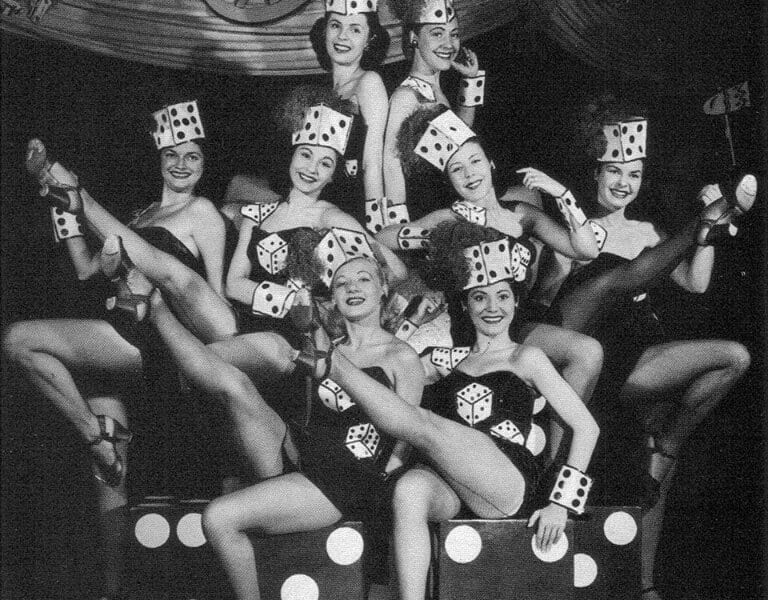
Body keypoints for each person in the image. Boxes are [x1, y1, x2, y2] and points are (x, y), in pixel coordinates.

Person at [3, 98, 229, 600]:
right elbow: (89, 271)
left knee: (18, 339)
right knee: (110, 483)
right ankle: (113, 591)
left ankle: (92, 433)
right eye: (172, 155)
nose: (181, 164)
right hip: (116, 330)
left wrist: (209, 356)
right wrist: (71, 225)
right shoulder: (140, 214)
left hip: (151, 339)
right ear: (159, 158)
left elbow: (212, 295)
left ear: (204, 163)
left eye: (192, 156)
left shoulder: (202, 212)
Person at [312, 221, 600, 600]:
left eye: (502, 297)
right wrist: (410, 324)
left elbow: (587, 428)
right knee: (410, 489)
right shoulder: (448, 360)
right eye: (480, 298)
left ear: (516, 302)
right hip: (455, 484)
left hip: (507, 478)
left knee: (424, 426)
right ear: (465, 305)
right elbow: (388, 367)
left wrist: (561, 504)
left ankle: (330, 363)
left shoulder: (526, 357)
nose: (492, 308)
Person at [538, 100, 754, 600]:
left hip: (636, 356)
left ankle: (667, 449)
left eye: (633, 174)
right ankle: (707, 219)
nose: (623, 182)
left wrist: (706, 241)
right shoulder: (569, 232)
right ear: (594, 172)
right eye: (614, 171)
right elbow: (551, 302)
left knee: (735, 357)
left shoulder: (649, 233)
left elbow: (696, 284)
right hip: (582, 355)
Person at [146, 241, 422, 600]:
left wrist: (381, 497)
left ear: (383, 288)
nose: (352, 288)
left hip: (345, 480)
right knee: (234, 386)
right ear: (332, 297)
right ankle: (154, 310)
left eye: (363, 279)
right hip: (300, 456)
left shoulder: (401, 356)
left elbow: (408, 437)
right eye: (341, 283)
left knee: (218, 517)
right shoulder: (323, 347)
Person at [377, 106, 603, 462]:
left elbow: (585, 250)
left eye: (475, 161)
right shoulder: (450, 216)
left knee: (587, 352)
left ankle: (556, 466)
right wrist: (440, 235)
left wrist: (562, 194)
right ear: (449, 180)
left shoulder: (521, 214)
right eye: (457, 169)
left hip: (520, 322)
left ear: (490, 163)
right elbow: (385, 237)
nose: (470, 174)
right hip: (471, 327)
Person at [383, 0, 483, 219]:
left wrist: (471, 80)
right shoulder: (406, 96)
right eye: (437, 34)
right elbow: (390, 165)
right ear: (414, 38)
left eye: (454, 34)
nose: (449, 44)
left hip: (459, 197)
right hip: (435, 210)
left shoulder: (434, 89)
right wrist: (399, 226)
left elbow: (460, 134)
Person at [309, 0, 390, 227]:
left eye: (355, 29)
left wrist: (376, 226)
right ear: (324, 31)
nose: (342, 36)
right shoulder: (325, 90)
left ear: (369, 39)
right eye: (336, 25)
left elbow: (373, 163)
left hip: (347, 206)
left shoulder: (369, 82)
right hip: (316, 197)